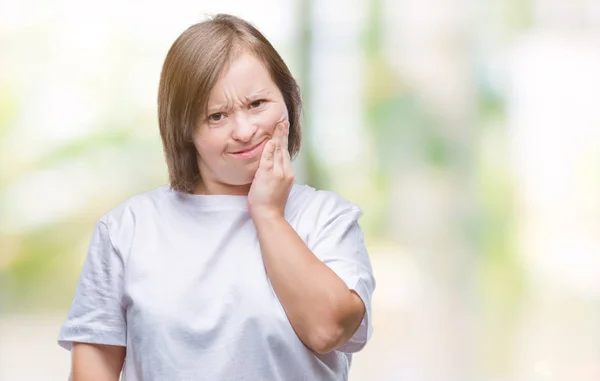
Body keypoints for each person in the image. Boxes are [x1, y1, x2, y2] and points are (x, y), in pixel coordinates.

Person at [58, 13, 375, 381]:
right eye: (216, 116)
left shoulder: (327, 219)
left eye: (257, 104)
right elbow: (94, 369)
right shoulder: (125, 230)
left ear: (288, 99)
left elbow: (327, 331)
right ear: (184, 129)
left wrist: (268, 214)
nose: (244, 130)